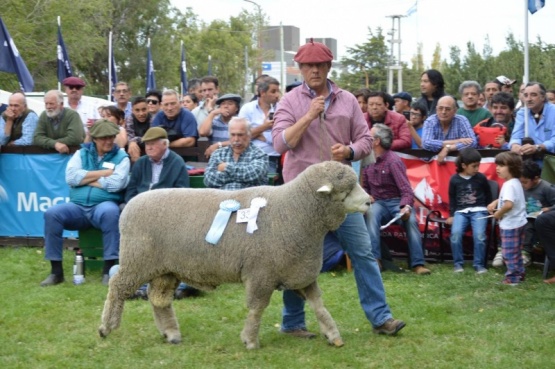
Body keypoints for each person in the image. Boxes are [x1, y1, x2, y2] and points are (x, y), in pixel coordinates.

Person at [272, 40, 405, 338]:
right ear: (301, 69)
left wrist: (348, 151)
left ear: (329, 67)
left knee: (363, 252)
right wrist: (307, 116)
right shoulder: (290, 101)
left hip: (341, 194)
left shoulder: (347, 101)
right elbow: (280, 143)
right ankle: (292, 323)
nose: (315, 70)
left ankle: (382, 318)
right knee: (297, 257)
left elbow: (366, 141)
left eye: (320, 65)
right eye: (308, 66)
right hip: (302, 196)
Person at [40, 119, 130, 287]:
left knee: (111, 213)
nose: (109, 141)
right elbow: (71, 178)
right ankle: (56, 272)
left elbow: (116, 184)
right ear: (94, 138)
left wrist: (86, 178)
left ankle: (108, 270)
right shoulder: (81, 153)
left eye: (111, 136)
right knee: (52, 214)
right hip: (77, 206)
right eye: (104, 138)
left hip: (104, 204)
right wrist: (104, 173)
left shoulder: (122, 157)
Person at [121, 126, 195, 299]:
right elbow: (131, 191)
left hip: (166, 214)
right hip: (140, 212)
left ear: (164, 145)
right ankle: (141, 280)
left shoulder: (176, 162)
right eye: (146, 144)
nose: (149, 148)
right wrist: (135, 207)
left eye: (153, 144)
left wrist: (160, 210)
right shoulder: (141, 163)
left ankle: (172, 284)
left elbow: (182, 193)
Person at [362, 123, 431, 275]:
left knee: (411, 221)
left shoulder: (393, 161)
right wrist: (367, 195)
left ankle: (418, 264)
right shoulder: (367, 161)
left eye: (370, 136)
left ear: (377, 141)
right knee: (371, 215)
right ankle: (375, 260)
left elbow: (406, 190)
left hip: (396, 201)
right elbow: (365, 186)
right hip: (378, 202)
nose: (366, 138)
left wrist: (405, 207)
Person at [445, 148, 492, 274]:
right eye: (474, 166)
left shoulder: (481, 178)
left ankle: (479, 265)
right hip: (460, 212)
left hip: (480, 211)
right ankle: (458, 264)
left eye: (478, 165)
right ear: (463, 165)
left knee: (479, 236)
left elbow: (488, 195)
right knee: (455, 234)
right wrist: (451, 215)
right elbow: (452, 198)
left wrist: (489, 209)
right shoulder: (454, 179)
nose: (477, 169)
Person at [487, 152, 527, 285]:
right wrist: (496, 202)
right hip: (519, 222)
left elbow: (509, 204)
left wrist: (498, 214)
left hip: (511, 224)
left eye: (501, 165)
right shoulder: (514, 182)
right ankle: (520, 274)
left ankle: (512, 279)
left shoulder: (509, 184)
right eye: (497, 165)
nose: (497, 168)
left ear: (512, 167)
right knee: (516, 251)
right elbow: (508, 199)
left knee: (509, 253)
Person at [204, 117, 268, 190]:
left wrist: (226, 168)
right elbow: (208, 180)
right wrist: (243, 178)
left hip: (249, 198)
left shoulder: (259, 154)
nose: (236, 139)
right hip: (222, 198)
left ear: (249, 135)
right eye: (233, 135)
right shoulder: (218, 154)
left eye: (240, 135)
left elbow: (253, 176)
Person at [239, 76, 282, 173]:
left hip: (273, 156)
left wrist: (257, 134)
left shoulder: (281, 108)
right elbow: (241, 136)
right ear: (262, 93)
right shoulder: (248, 108)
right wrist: (264, 127)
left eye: (278, 91)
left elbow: (281, 137)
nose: (277, 95)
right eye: (273, 91)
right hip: (250, 156)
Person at [519, 160, 555, 267]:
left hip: (540, 220)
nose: (523, 185)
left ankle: (526, 252)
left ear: (535, 178)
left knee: (529, 225)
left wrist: (548, 209)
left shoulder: (547, 188)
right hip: (525, 215)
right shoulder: (521, 187)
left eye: (525, 182)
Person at [421, 95, 477, 163]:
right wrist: (457, 141)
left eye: (447, 109)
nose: (443, 112)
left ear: (455, 110)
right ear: (436, 109)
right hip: (432, 166)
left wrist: (448, 148)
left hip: (457, 165)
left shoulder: (462, 120)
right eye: (440, 108)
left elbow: (473, 142)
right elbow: (426, 143)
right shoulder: (430, 121)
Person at [509, 82, 555, 160]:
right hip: (530, 161)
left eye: (533, 95)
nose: (529, 99)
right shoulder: (522, 113)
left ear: (543, 97)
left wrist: (538, 147)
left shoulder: (553, 111)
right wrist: (515, 145)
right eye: (526, 95)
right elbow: (516, 135)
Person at [199, 93, 242, 158]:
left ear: (236, 108)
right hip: (216, 158)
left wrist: (219, 145)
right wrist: (212, 113)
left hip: (235, 158)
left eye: (230, 104)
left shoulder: (240, 122)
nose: (226, 106)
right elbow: (202, 132)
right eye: (223, 104)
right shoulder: (214, 121)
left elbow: (241, 141)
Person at [125, 97, 151, 163]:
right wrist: (132, 142)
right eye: (137, 110)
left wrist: (133, 140)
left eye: (144, 109)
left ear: (148, 108)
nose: (141, 113)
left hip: (149, 149)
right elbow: (129, 136)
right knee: (132, 146)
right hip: (134, 150)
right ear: (132, 110)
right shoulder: (129, 119)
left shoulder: (153, 119)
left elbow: (151, 138)